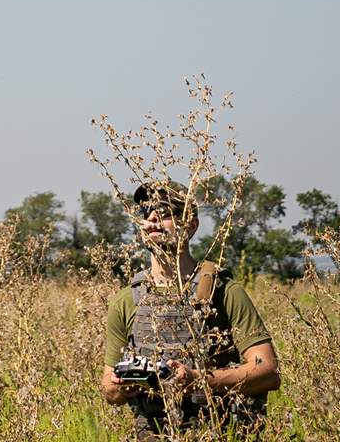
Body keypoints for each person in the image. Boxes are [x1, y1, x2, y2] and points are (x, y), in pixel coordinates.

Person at [99, 181, 282, 437]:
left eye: (165, 212)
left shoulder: (224, 291)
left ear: (191, 225)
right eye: (147, 211)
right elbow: (108, 388)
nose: (152, 217)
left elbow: (268, 372)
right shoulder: (126, 300)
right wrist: (125, 385)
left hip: (217, 430)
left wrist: (198, 380)